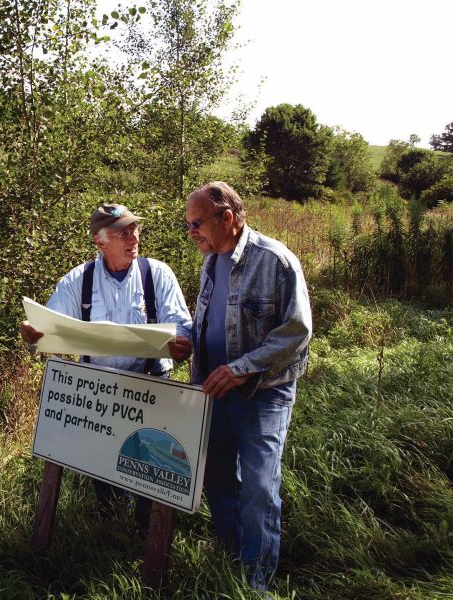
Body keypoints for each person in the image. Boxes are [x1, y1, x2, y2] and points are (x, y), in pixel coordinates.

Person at [172, 181, 312, 594]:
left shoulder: (276, 261)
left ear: (226, 219)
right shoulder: (211, 259)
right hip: (214, 390)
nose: (191, 232)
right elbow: (212, 321)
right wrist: (187, 342)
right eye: (188, 225)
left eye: (195, 224)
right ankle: (234, 552)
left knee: (258, 487)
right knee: (216, 476)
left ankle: (257, 581)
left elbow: (296, 333)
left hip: (262, 395)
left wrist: (242, 368)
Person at [21, 203, 193, 529]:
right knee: (105, 472)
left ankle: (147, 538)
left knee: (152, 475)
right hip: (100, 393)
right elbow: (47, 325)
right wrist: (33, 333)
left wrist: (182, 344)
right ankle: (110, 538)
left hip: (150, 386)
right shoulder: (78, 280)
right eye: (123, 233)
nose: (134, 238)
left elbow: (182, 326)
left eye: (135, 230)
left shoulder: (157, 274)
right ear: (100, 242)